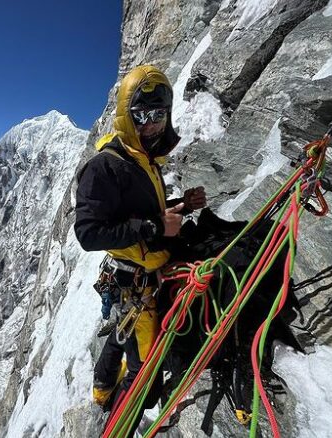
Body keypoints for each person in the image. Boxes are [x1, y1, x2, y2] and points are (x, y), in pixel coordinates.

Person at [74, 65, 207, 435]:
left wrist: (183, 206)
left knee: (120, 332)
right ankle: (117, 427)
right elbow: (88, 233)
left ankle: (102, 391)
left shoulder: (141, 160)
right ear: (127, 117)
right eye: (143, 116)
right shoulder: (104, 167)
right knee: (143, 369)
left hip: (131, 280)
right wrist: (153, 227)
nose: (152, 125)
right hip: (135, 282)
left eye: (159, 115)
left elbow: (144, 214)